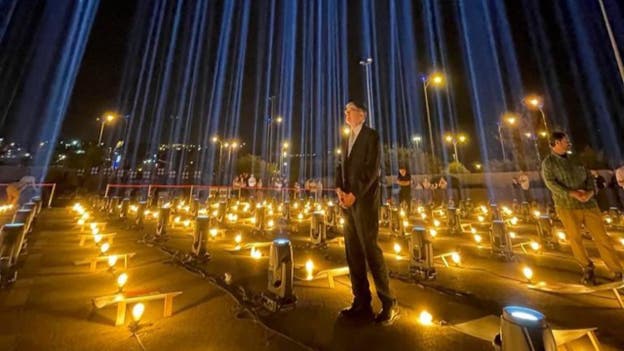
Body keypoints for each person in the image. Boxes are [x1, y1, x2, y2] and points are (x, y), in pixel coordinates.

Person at [335, 100, 398, 325]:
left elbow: (373, 169)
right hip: (347, 202)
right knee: (353, 252)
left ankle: (388, 303)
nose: (346, 114)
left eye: (350, 110)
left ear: (362, 114)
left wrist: (355, 193)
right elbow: (340, 165)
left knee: (370, 249)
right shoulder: (345, 138)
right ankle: (361, 301)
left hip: (364, 201)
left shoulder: (371, 136)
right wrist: (339, 189)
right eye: (345, 111)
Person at [542, 132, 623, 284]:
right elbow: (551, 184)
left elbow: (589, 177)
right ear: (557, 143)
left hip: (589, 204)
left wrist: (590, 192)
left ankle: (617, 271)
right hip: (567, 206)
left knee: (602, 237)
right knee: (575, 238)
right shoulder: (549, 163)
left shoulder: (576, 158)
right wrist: (572, 193)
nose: (568, 142)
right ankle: (587, 268)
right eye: (565, 140)